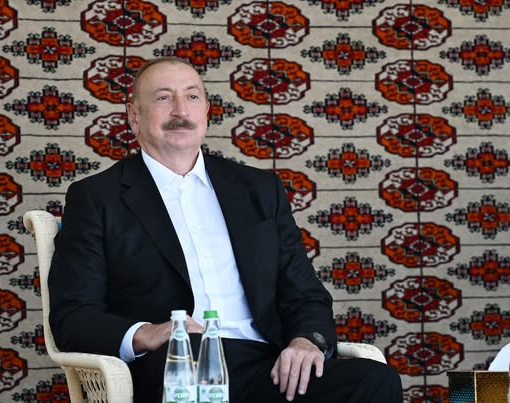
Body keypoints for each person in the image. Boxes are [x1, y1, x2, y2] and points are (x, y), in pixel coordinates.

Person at [48, 57, 403, 402]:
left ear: (206, 110)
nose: (180, 110)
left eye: (192, 96)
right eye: (163, 97)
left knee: (373, 379)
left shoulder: (259, 189)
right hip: (178, 367)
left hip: (269, 365)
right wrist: (148, 333)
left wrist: (305, 341)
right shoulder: (97, 198)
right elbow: (73, 317)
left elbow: (305, 294)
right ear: (134, 115)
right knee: (192, 368)